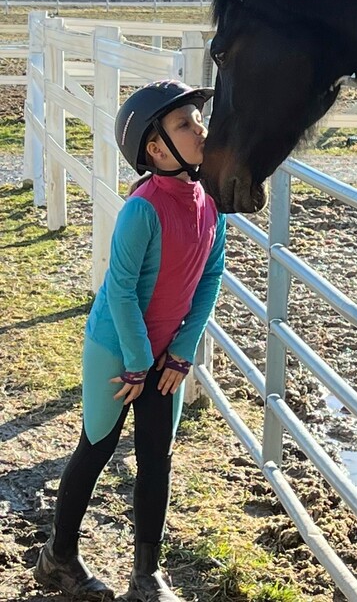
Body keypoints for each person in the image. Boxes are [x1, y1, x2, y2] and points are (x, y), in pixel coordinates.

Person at [34, 80, 226, 602]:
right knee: (96, 447)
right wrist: (139, 362)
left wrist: (181, 353)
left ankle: (147, 574)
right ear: (156, 147)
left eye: (196, 119)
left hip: (164, 357)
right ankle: (59, 556)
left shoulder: (209, 204)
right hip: (117, 350)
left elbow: (210, 279)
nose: (199, 128)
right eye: (185, 123)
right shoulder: (144, 209)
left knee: (156, 458)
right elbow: (118, 290)